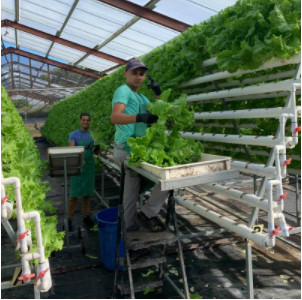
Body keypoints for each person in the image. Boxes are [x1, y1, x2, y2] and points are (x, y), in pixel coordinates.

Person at [111, 58, 169, 232]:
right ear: (125, 74)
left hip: (136, 149)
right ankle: (145, 214)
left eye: (142, 74)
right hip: (126, 149)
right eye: (134, 73)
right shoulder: (123, 91)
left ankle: (130, 227)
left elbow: (161, 112)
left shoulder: (141, 97)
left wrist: (159, 93)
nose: (138, 77)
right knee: (167, 178)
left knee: (131, 192)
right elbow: (115, 117)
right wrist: (139, 117)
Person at [68, 113, 99, 230]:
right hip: (77, 167)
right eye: (84, 120)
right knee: (74, 194)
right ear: (80, 121)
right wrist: (83, 148)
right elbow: (71, 150)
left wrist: (97, 150)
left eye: (88, 120)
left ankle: (86, 216)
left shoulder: (93, 135)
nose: (86, 122)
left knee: (87, 194)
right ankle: (69, 219)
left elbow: (97, 153)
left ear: (90, 122)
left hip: (89, 168)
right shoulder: (74, 135)